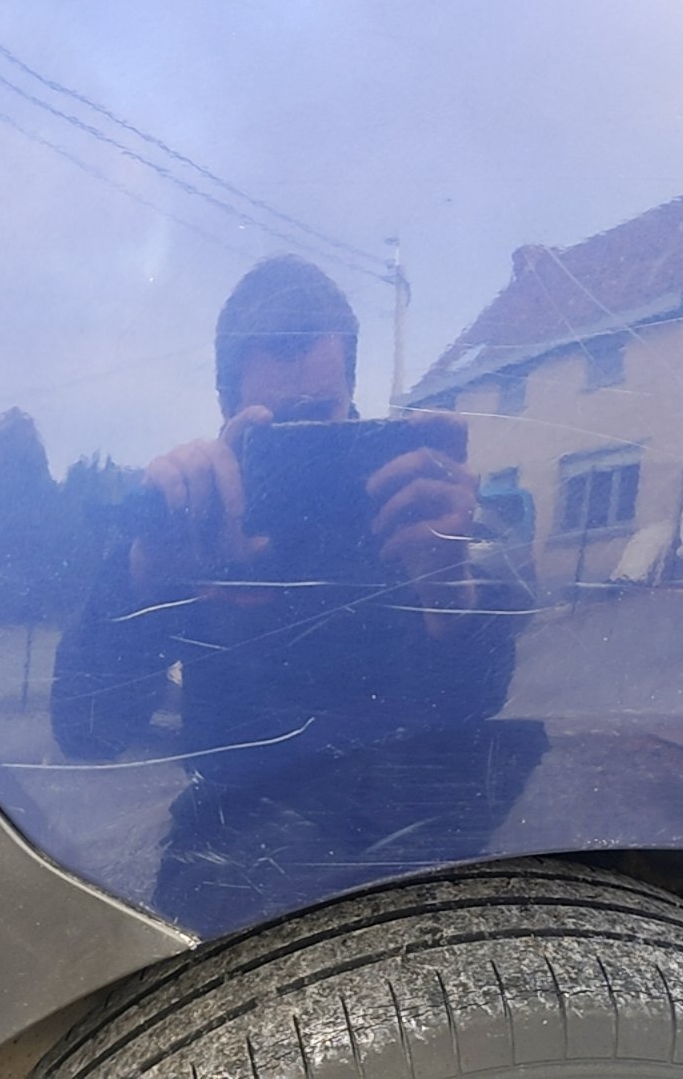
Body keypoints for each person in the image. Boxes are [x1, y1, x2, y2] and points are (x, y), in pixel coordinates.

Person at [51, 255, 542, 931]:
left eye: (319, 416)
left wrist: (446, 590)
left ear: (350, 394)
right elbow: (85, 731)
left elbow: (474, 709)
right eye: (276, 429)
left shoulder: (409, 512)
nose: (302, 448)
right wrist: (148, 570)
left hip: (410, 861)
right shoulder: (191, 524)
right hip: (232, 872)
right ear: (227, 409)